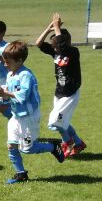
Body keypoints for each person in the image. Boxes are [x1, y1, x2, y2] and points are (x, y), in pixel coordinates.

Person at [0, 40, 65, 184]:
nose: (5, 64)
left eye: (8, 62)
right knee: (11, 145)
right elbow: (9, 93)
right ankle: (21, 174)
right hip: (16, 116)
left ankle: (52, 146)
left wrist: (5, 93)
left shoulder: (26, 75)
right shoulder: (11, 74)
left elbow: (23, 96)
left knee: (27, 149)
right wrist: (1, 94)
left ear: (19, 60)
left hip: (29, 117)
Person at [35, 13, 86, 157]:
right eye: (53, 46)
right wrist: (49, 28)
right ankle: (78, 143)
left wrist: (57, 28)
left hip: (70, 94)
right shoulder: (55, 52)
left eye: (56, 45)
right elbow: (38, 43)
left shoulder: (73, 52)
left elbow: (62, 46)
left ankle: (67, 143)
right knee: (62, 121)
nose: (54, 48)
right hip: (59, 92)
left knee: (54, 121)